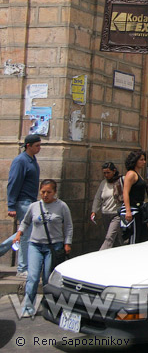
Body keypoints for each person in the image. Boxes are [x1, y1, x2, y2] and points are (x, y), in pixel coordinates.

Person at [14, 179, 72, 317]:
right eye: (43, 192)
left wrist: (67, 243)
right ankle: (28, 307)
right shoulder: (34, 206)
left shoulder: (62, 206)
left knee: (48, 278)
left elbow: (68, 226)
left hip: (53, 247)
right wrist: (19, 233)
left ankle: (50, 306)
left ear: (54, 192)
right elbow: (25, 222)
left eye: (49, 192)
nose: (45, 195)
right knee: (33, 277)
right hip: (35, 245)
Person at [0, 134, 42, 276]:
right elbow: (13, 182)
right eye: (37, 145)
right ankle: (23, 268)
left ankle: (1, 250)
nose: (39, 148)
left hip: (30, 202)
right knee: (25, 235)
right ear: (28, 146)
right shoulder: (20, 161)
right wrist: (11, 205)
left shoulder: (32, 160)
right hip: (23, 202)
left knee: (25, 232)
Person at [90, 162, 123, 250]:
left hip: (116, 214)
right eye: (104, 173)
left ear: (114, 171)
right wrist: (94, 211)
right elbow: (98, 198)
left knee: (109, 237)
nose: (106, 175)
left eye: (108, 172)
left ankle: (100, 255)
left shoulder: (120, 181)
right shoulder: (103, 183)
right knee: (115, 239)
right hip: (105, 214)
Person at [121, 149, 148, 244]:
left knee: (143, 237)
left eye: (144, 159)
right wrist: (128, 211)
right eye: (141, 159)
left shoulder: (138, 174)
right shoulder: (131, 174)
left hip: (140, 210)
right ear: (135, 160)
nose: (144, 162)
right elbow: (125, 192)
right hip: (133, 210)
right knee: (134, 237)